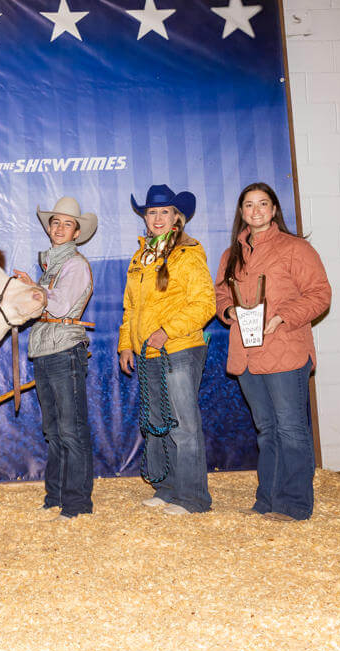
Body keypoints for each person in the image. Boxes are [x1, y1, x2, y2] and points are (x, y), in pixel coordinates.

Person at [215, 183, 331, 522]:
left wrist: (283, 316)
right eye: (249, 205)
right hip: (247, 353)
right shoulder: (230, 255)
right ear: (241, 213)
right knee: (267, 428)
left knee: (290, 427)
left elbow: (320, 294)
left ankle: (294, 504)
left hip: (284, 348)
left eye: (263, 203)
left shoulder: (296, 249)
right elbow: (221, 295)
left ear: (274, 209)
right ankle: (267, 499)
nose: (256, 210)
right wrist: (229, 312)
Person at [119, 184, 214, 515]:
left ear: (177, 217)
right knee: (158, 422)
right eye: (151, 212)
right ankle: (169, 488)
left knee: (183, 425)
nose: (157, 218)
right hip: (149, 353)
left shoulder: (188, 254)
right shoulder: (141, 256)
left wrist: (166, 331)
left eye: (164, 212)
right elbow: (130, 307)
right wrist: (126, 345)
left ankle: (193, 498)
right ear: (145, 217)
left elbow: (205, 303)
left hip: (180, 349)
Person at [14, 197, 97, 521]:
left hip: (64, 351)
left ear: (77, 232)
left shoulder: (74, 264)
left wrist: (33, 288)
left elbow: (60, 306)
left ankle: (77, 504)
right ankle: (56, 496)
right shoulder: (50, 267)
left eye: (67, 224)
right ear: (49, 228)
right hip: (47, 351)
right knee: (54, 429)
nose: (60, 228)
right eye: (56, 222)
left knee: (71, 429)